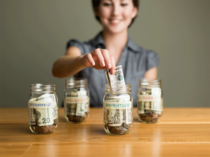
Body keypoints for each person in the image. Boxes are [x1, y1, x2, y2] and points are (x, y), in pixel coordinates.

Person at [52, 0, 159, 107]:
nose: (115, 12)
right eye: (107, 4)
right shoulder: (81, 48)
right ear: (96, 10)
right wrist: (83, 60)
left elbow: (148, 107)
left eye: (123, 4)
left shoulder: (147, 58)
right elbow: (57, 69)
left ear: (134, 11)